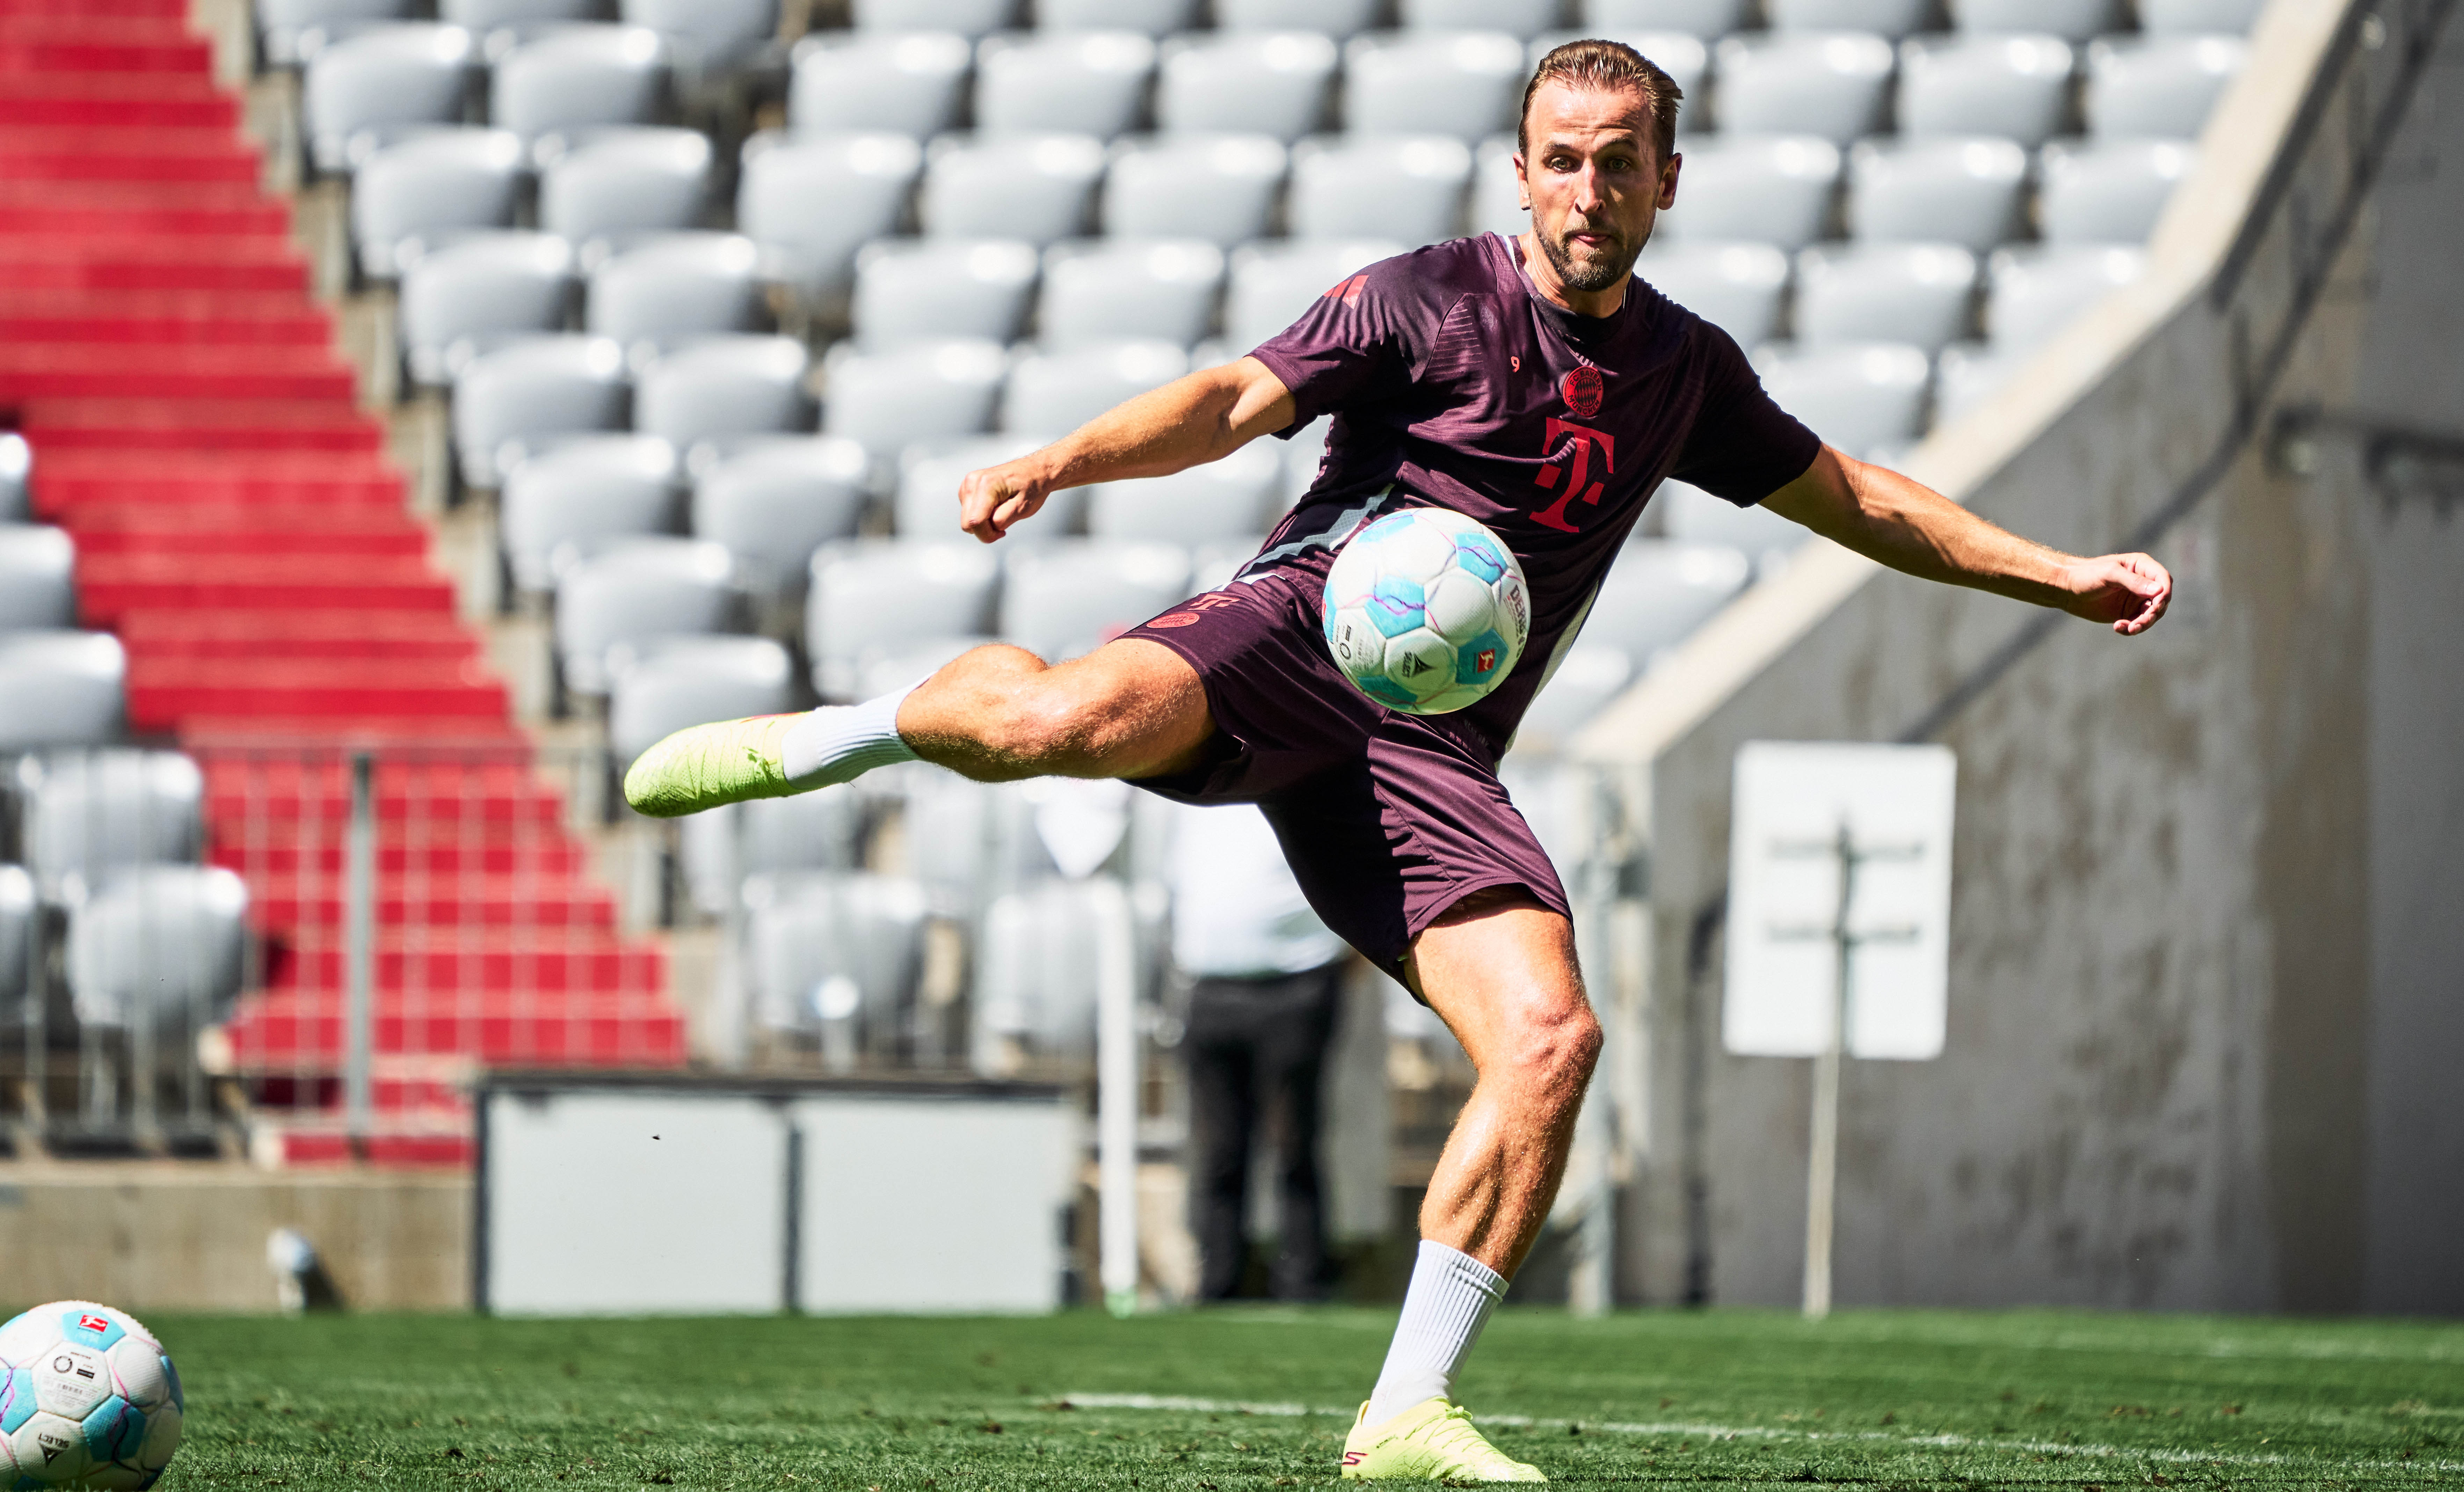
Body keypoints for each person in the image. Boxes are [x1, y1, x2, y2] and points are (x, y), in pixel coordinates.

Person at [623, 39, 2172, 1481]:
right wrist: (1058, 459)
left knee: (1552, 1042)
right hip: (1296, 631)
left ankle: (1406, 1409)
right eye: (1561, 160)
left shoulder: (1683, 372)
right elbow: (1233, 400)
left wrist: (2059, 574)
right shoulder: (1424, 297)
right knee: (1051, 727)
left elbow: (1859, 499)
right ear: (1518, 171)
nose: (1588, 191)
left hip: (1432, 744)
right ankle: (850, 733)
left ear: (1668, 183)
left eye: (1620, 163)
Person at [1165, 802, 1348, 1303]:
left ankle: (1304, 1282)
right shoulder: (1191, 789)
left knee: (1294, 1143)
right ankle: (1219, 1283)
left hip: (1298, 985)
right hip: (1210, 989)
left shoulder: (1301, 770)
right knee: (1219, 1148)